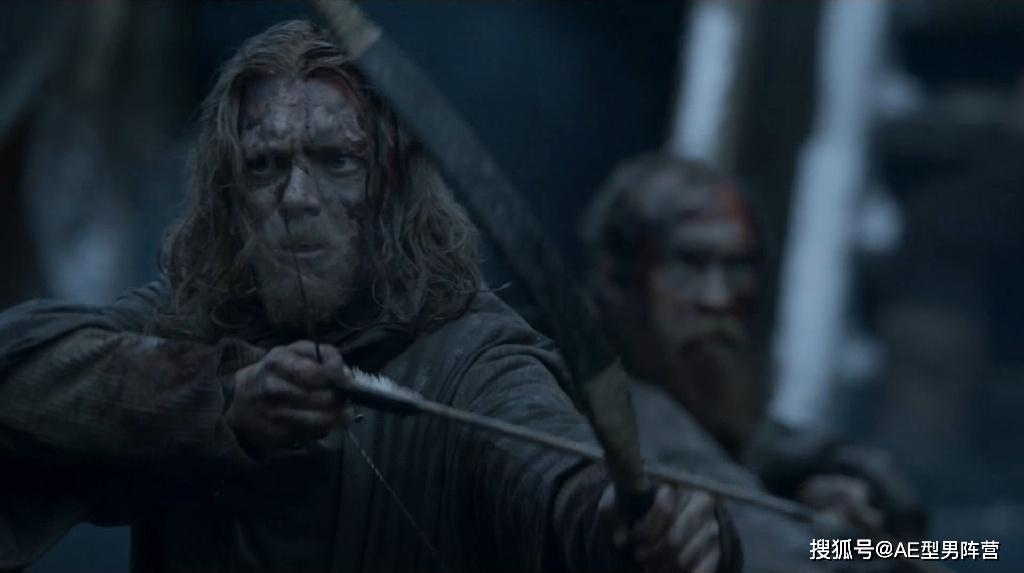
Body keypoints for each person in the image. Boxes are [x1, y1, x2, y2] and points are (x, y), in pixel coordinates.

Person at [0, 22, 740, 573]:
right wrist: (221, 397)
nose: (297, 197)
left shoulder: (469, 358)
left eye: (337, 161)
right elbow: (18, 366)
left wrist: (637, 520)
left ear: (389, 190)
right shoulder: (196, 325)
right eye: (265, 165)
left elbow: (552, 475)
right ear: (232, 199)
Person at [582, 154, 925, 571]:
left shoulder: (717, 412)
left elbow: (791, 456)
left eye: (737, 266)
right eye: (690, 263)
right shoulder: (610, 409)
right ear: (617, 282)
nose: (718, 298)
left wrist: (820, 489)